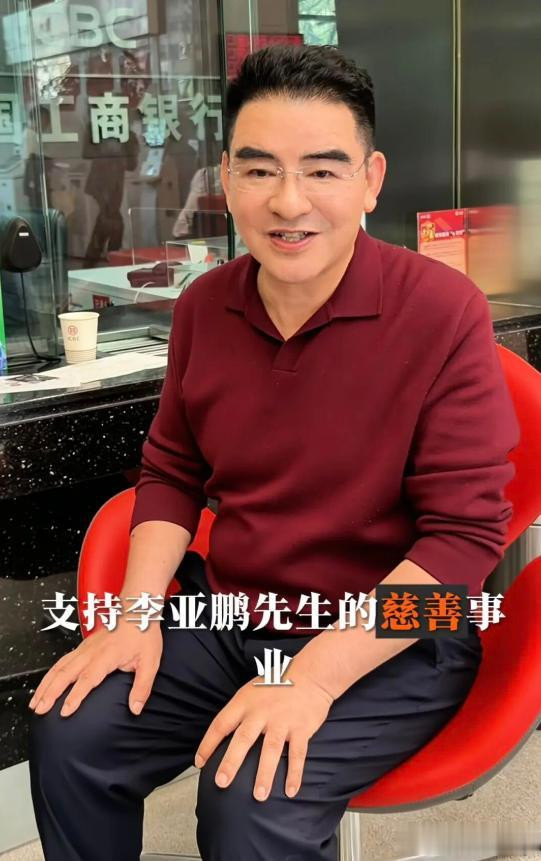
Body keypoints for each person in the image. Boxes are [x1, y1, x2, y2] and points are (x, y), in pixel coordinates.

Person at [28, 44, 520, 860]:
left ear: (370, 179)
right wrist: (136, 617)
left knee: (251, 795)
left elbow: (463, 543)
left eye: (323, 170)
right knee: (73, 731)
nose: (289, 202)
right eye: (259, 170)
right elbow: (172, 471)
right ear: (225, 179)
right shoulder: (204, 307)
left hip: (400, 633)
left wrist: (314, 676)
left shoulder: (443, 311)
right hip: (232, 614)